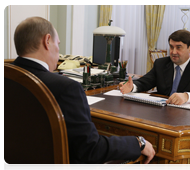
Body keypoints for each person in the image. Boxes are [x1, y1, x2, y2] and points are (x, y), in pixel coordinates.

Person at [12, 17, 155, 170]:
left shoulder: (6, 77)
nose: (58, 51)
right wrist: (138, 142)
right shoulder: (66, 88)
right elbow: (91, 150)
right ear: (47, 41)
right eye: (58, 44)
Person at [120, 30, 190, 105]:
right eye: (171, 47)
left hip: (187, 115)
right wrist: (132, 87)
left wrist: (187, 96)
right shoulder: (161, 63)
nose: (173, 52)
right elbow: (145, 82)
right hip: (162, 111)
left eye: (178, 47)